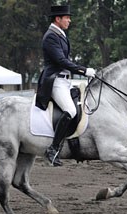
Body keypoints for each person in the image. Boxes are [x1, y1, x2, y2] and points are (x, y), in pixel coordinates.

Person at [35, 5, 96, 167]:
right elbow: (61, 61)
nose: (69, 20)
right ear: (58, 19)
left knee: (79, 105)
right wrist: (84, 70)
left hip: (64, 81)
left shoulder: (59, 34)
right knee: (70, 110)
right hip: (54, 82)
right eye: (67, 18)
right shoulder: (51, 37)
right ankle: (53, 149)